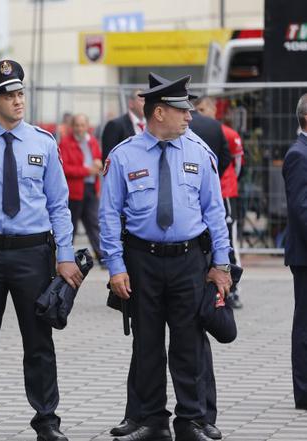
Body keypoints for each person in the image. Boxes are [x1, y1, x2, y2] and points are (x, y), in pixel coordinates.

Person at [0, 59, 83, 441]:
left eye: (21, 93)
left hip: (33, 254)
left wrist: (65, 254)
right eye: (9, 95)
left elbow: (59, 205)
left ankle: (46, 421)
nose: (18, 100)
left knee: (39, 341)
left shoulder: (43, 142)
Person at [99, 73, 232, 441]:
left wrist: (220, 265)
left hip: (189, 261)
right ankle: (152, 421)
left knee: (189, 343)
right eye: (181, 110)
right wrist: (116, 266)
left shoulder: (199, 153)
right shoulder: (124, 155)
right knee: (147, 344)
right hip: (142, 261)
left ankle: (191, 420)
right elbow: (108, 216)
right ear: (159, 113)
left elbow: (215, 213)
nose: (189, 116)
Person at [196, 96, 244, 309]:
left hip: (225, 191)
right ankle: (227, 291)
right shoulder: (217, 129)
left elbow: (238, 163)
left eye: (206, 107)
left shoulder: (228, 133)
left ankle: (232, 288)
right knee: (221, 237)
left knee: (226, 237)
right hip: (220, 190)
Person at [283, 92, 307, 411]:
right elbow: (302, 209)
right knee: (305, 326)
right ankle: (304, 391)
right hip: (305, 256)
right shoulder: (298, 155)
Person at [59, 113, 102, 262]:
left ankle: (102, 256)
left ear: (87, 126)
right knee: (71, 226)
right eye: (77, 125)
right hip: (75, 191)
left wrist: (98, 163)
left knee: (94, 223)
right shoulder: (65, 143)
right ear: (72, 126)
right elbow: (64, 168)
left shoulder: (93, 141)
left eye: (82, 125)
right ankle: (65, 258)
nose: (79, 128)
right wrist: (86, 171)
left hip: (91, 188)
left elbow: (98, 158)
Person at [101, 89, 145, 161]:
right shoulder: (115, 125)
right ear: (131, 103)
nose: (146, 104)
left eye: (148, 101)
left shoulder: (151, 126)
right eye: (142, 100)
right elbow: (108, 159)